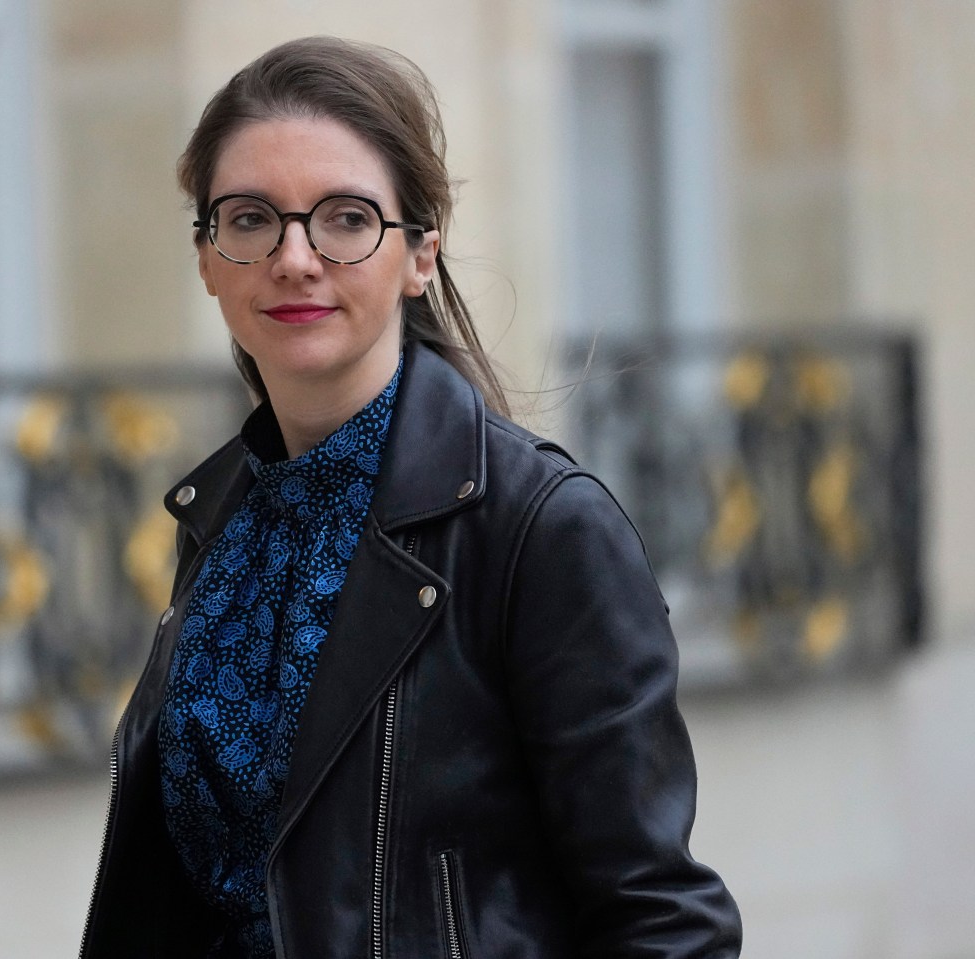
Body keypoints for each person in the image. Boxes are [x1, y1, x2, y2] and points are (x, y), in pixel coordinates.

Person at [80, 35, 741, 959]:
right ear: (207, 257)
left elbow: (664, 922)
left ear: (421, 254)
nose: (295, 257)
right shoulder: (221, 515)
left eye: (346, 219)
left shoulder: (540, 527)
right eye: (249, 219)